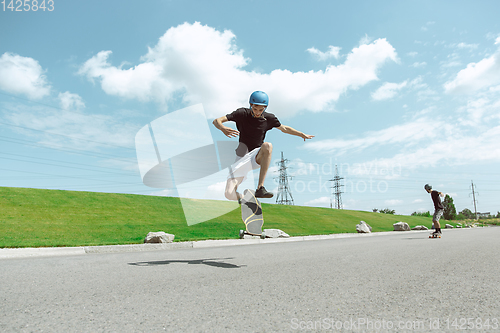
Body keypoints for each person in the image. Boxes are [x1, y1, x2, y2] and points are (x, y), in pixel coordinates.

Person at [213, 91, 314, 201]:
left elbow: (284, 128)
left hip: (256, 155)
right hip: (241, 158)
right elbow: (216, 121)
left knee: (267, 146)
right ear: (251, 105)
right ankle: (245, 199)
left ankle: (260, 188)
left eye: (261, 110)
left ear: (265, 108)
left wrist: (301, 134)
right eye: (255, 109)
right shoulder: (241, 113)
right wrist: (222, 128)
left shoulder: (269, 118)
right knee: (229, 194)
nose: (257, 112)